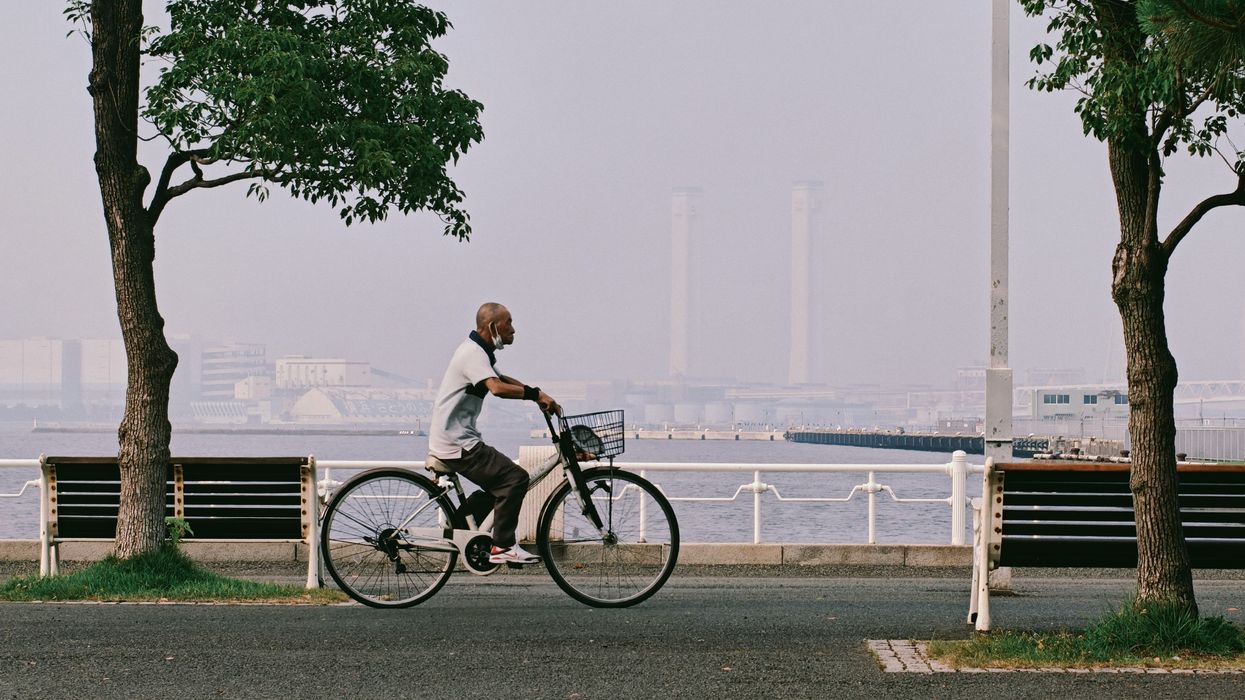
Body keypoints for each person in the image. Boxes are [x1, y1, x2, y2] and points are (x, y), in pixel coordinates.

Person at [427, 302, 562, 564]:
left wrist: (537, 394)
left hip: (458, 439)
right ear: (492, 326)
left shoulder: (479, 352)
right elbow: (497, 388)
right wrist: (534, 394)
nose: (513, 329)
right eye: (508, 323)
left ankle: (463, 525)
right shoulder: (473, 354)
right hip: (456, 443)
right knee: (515, 479)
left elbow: (503, 379)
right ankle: (502, 547)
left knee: (500, 483)